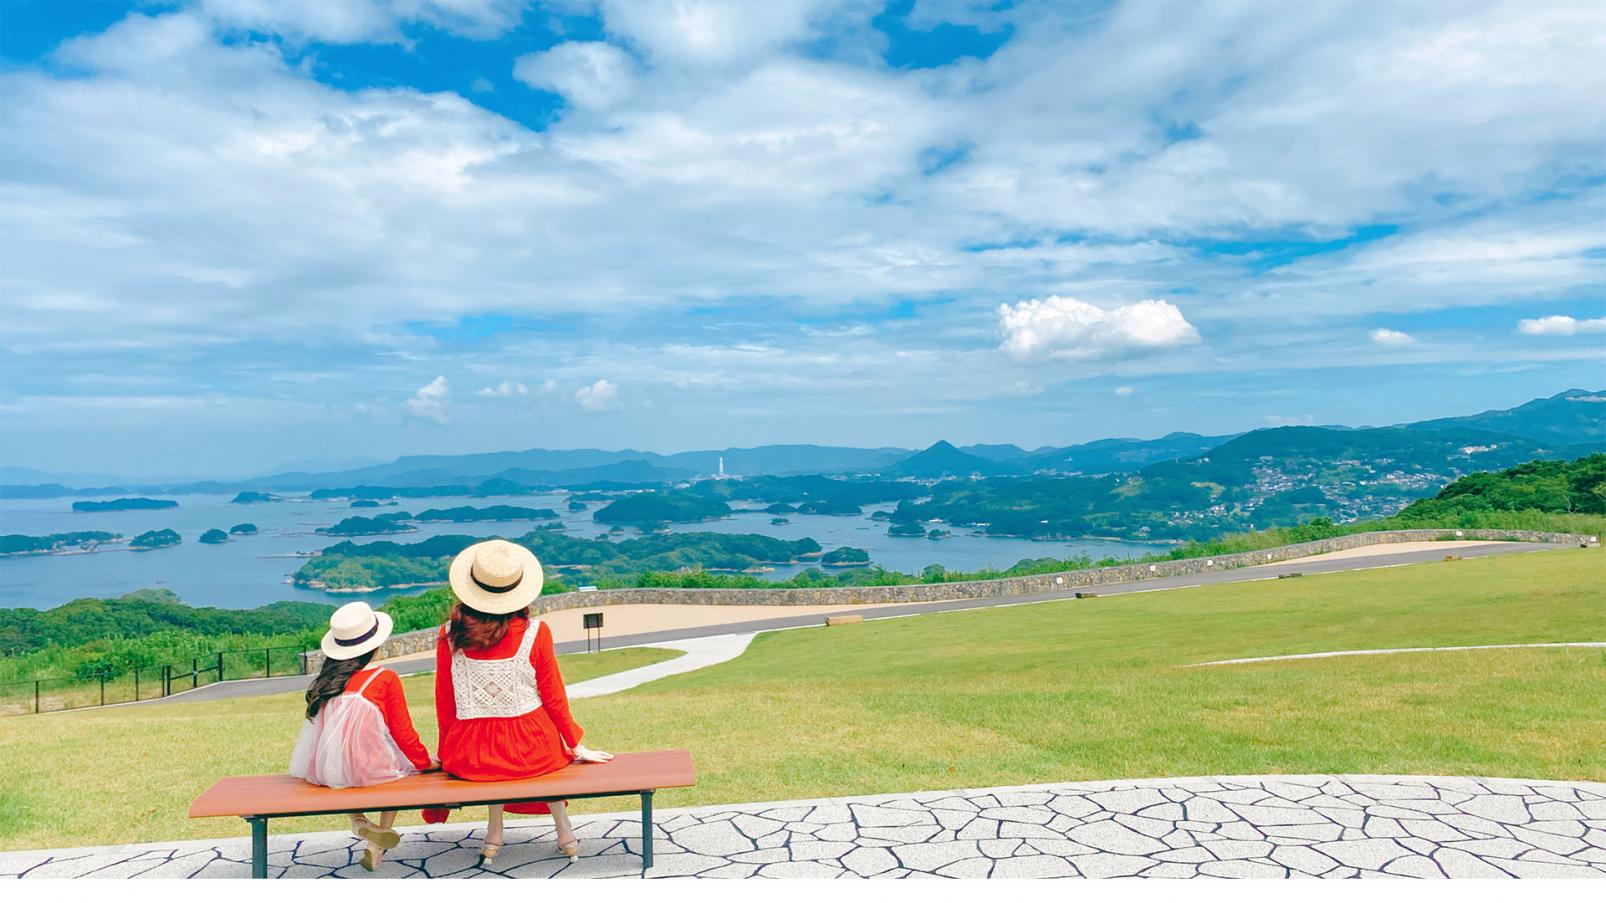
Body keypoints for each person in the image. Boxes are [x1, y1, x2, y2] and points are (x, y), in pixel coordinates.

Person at [422, 539, 614, 866]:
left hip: (472, 756)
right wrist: (575, 744)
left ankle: (494, 832)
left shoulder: (450, 636)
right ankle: (563, 829)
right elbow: (553, 697)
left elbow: (445, 703)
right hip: (532, 752)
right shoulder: (536, 632)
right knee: (549, 749)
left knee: (495, 761)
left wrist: (445, 752)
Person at [290, 601, 435, 872]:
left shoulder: (327, 682)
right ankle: (376, 843)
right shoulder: (385, 679)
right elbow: (403, 732)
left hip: (325, 770)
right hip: (373, 769)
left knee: (347, 770)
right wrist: (425, 762)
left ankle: (358, 820)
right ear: (375, 645)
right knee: (396, 768)